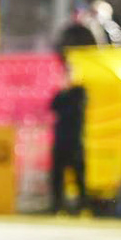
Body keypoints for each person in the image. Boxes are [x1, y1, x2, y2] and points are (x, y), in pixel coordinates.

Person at [49, 77, 88, 215]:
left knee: (79, 177)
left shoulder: (79, 92)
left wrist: (67, 90)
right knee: (57, 177)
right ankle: (57, 206)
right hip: (60, 142)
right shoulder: (62, 95)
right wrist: (63, 91)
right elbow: (52, 106)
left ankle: (83, 206)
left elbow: (71, 109)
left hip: (75, 142)